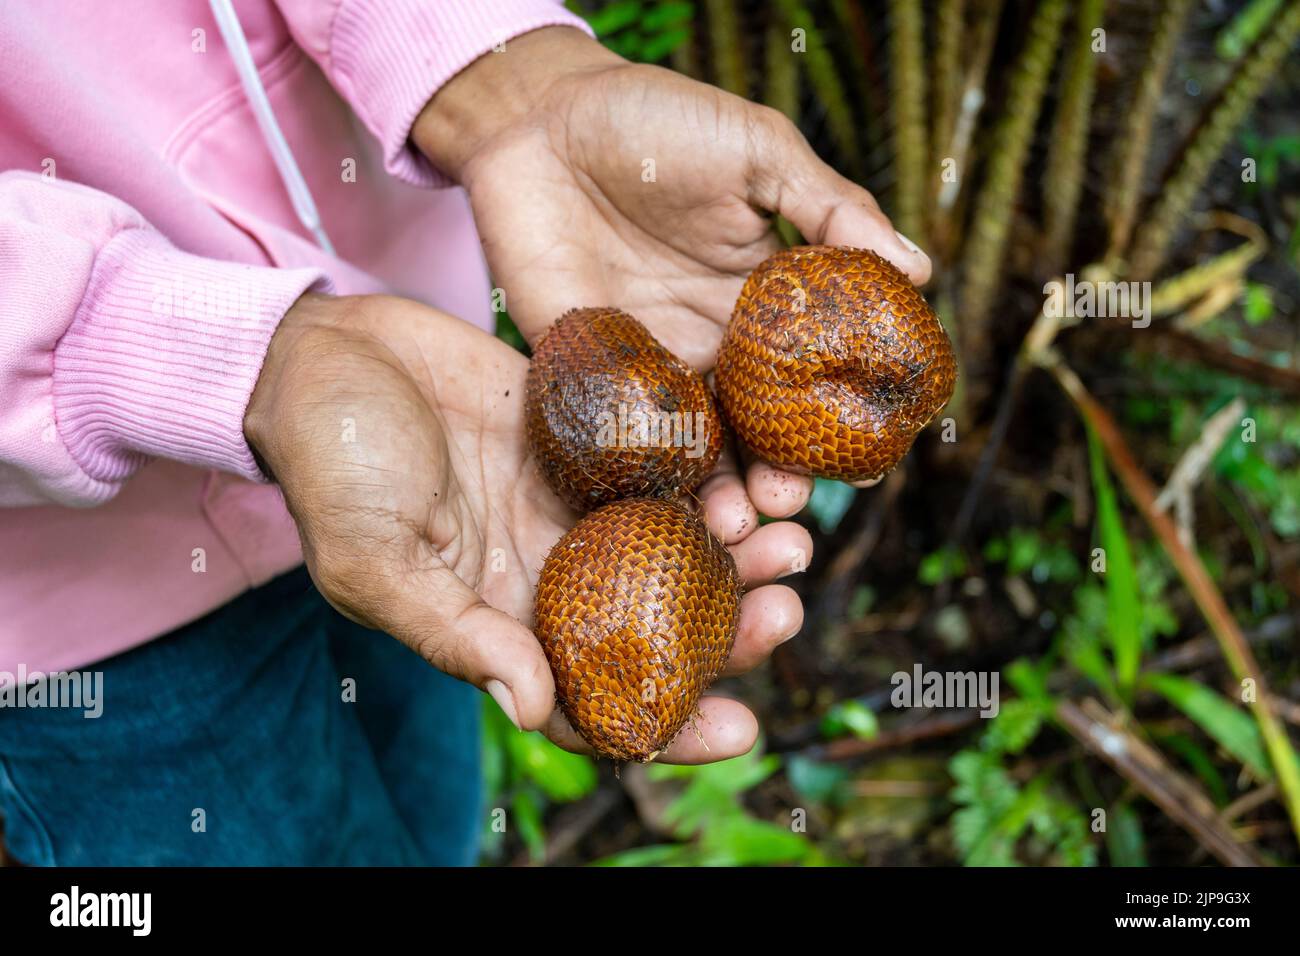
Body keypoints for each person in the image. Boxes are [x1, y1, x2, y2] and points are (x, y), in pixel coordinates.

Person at [0, 1, 931, 866]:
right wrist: (193, 353)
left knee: (435, 816)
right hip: (85, 611)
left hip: (434, 447)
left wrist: (514, 88)